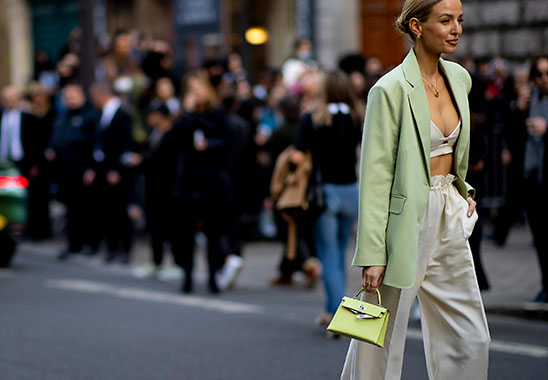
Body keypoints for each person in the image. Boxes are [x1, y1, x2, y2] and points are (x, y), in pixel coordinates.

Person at [341, 1, 490, 379]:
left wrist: (464, 191)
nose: (456, 28)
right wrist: (373, 252)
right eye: (445, 21)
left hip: (449, 214)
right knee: (379, 338)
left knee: (470, 337)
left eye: (459, 20)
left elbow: (456, 150)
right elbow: (374, 176)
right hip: (405, 222)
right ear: (416, 26)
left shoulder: (459, 78)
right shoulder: (388, 89)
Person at [291, 71, 362, 328]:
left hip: (324, 193)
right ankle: (330, 310)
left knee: (328, 255)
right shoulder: (356, 117)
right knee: (340, 253)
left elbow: (297, 155)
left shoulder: (313, 117)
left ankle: (337, 316)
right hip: (352, 191)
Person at [169, 71, 233, 294]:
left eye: (199, 89)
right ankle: (187, 275)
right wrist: (186, 114)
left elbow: (228, 143)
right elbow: (174, 140)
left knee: (213, 234)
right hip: (188, 183)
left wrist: (211, 145)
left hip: (211, 184)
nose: (196, 94)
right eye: (192, 90)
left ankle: (213, 276)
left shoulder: (217, 115)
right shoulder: (185, 117)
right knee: (185, 234)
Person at [46, 84, 97, 258]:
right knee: (70, 210)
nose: (70, 100)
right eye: (67, 97)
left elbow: (92, 143)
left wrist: (90, 168)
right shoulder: (63, 117)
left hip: (81, 171)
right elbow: (56, 138)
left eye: (73, 96)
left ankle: (90, 244)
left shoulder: (89, 116)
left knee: (86, 210)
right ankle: (73, 244)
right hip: (64, 171)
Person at [87, 82, 134, 263]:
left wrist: (116, 169)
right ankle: (112, 248)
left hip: (116, 171)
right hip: (102, 169)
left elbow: (125, 143)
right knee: (106, 211)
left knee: (120, 211)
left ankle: (125, 250)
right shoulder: (100, 114)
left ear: (102, 94)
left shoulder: (123, 114)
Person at [523, 56, 548, 303]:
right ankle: (544, 286)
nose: (544, 79)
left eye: (547, 73)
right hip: (533, 178)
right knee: (540, 238)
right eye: (539, 74)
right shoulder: (534, 99)